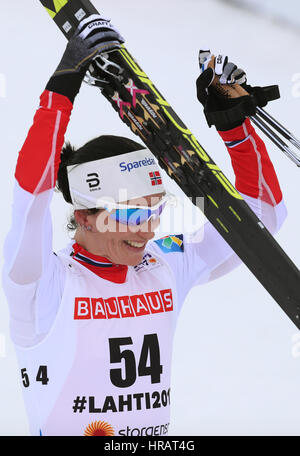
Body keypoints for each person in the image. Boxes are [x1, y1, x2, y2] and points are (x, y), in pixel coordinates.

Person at [2, 15, 287, 437]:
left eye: (155, 211)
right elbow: (30, 200)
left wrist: (234, 128)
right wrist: (63, 86)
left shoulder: (164, 265)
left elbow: (261, 218)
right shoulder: (43, 285)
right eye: (133, 214)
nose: (147, 229)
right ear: (84, 216)